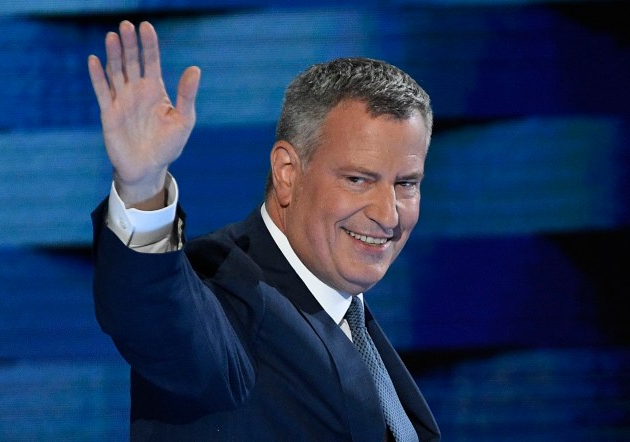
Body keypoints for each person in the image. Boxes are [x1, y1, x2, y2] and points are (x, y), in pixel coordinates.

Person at [88, 20, 440, 441]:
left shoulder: (350, 317)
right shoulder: (228, 292)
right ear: (288, 173)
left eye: (406, 184)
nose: (389, 214)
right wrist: (142, 187)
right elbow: (154, 311)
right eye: (358, 180)